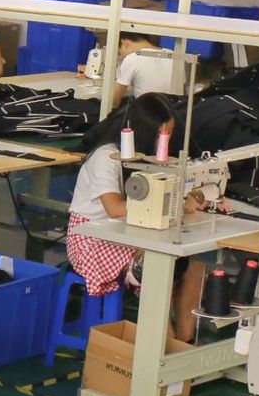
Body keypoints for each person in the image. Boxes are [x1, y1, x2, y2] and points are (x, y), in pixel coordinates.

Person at [65, 93, 207, 341]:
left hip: (129, 231)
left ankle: (184, 341)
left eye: (169, 133)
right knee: (155, 268)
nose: (166, 140)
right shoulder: (106, 158)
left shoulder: (151, 157)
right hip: (91, 238)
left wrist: (186, 198)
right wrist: (171, 199)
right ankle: (164, 349)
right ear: (145, 132)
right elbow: (115, 209)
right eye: (162, 134)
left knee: (196, 264)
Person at [108, 31, 175, 108]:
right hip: (173, 112)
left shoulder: (132, 58)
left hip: (147, 112)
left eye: (120, 53)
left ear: (125, 43)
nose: (122, 56)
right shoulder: (173, 55)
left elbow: (114, 101)